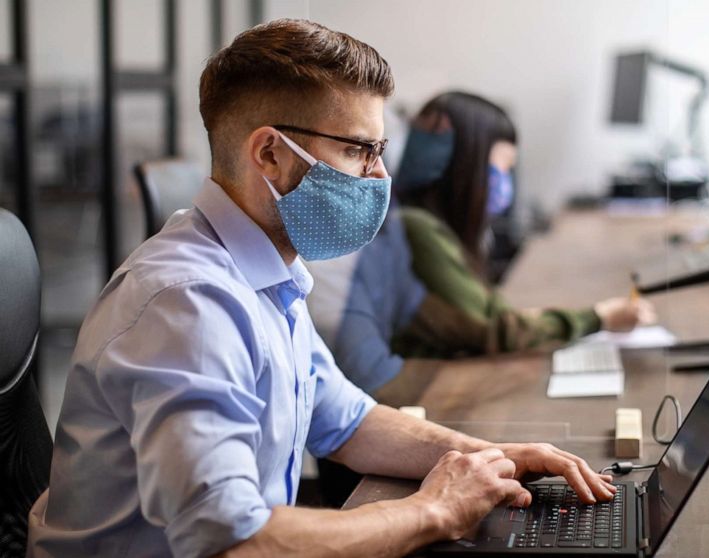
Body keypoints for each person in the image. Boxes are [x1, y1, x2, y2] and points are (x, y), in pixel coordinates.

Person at [27, 20, 616, 558]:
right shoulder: (187, 304)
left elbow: (347, 421)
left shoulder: (268, 274)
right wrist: (433, 509)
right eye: (360, 150)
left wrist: (489, 458)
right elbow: (230, 541)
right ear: (270, 155)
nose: (381, 176)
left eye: (379, 151)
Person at [307, 92, 655, 396]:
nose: (505, 182)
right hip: (413, 397)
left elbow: (488, 316)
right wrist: (599, 316)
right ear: (466, 165)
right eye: (501, 167)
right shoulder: (416, 228)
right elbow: (494, 329)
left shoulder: (419, 220)